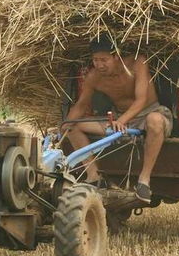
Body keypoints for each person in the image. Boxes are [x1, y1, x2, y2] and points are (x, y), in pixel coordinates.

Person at [63, 33, 173, 203]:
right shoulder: (94, 77)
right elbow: (81, 105)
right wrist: (64, 126)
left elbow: (141, 100)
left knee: (155, 121)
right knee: (73, 127)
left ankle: (144, 181)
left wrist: (122, 121)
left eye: (103, 60)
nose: (99, 65)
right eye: (95, 60)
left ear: (116, 56)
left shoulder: (137, 64)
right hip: (119, 120)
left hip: (148, 113)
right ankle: (94, 176)